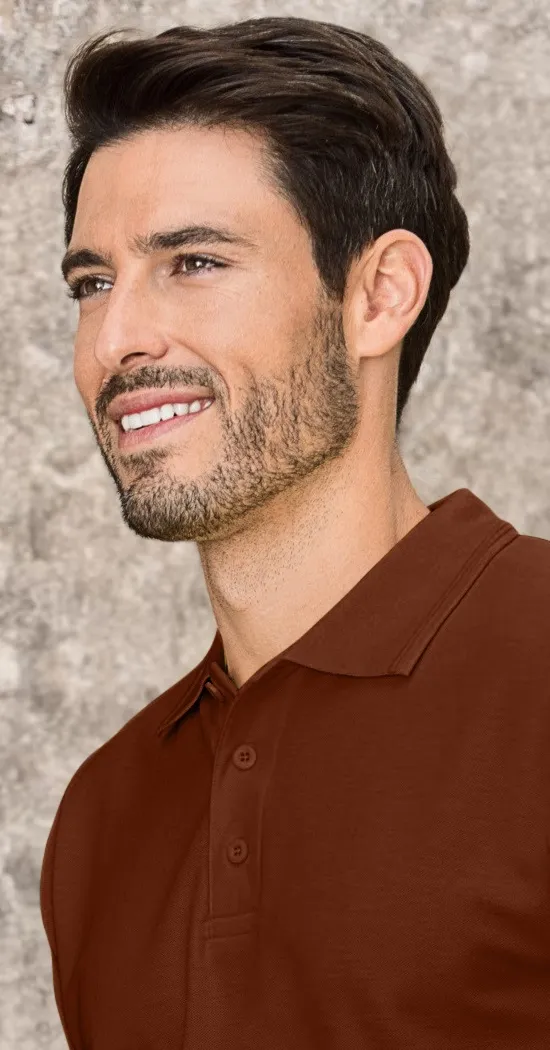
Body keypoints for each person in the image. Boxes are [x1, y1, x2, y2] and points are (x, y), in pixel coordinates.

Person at [40, 15, 550, 1050]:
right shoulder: (104, 815)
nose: (116, 338)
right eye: (93, 283)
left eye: (192, 262)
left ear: (378, 297)